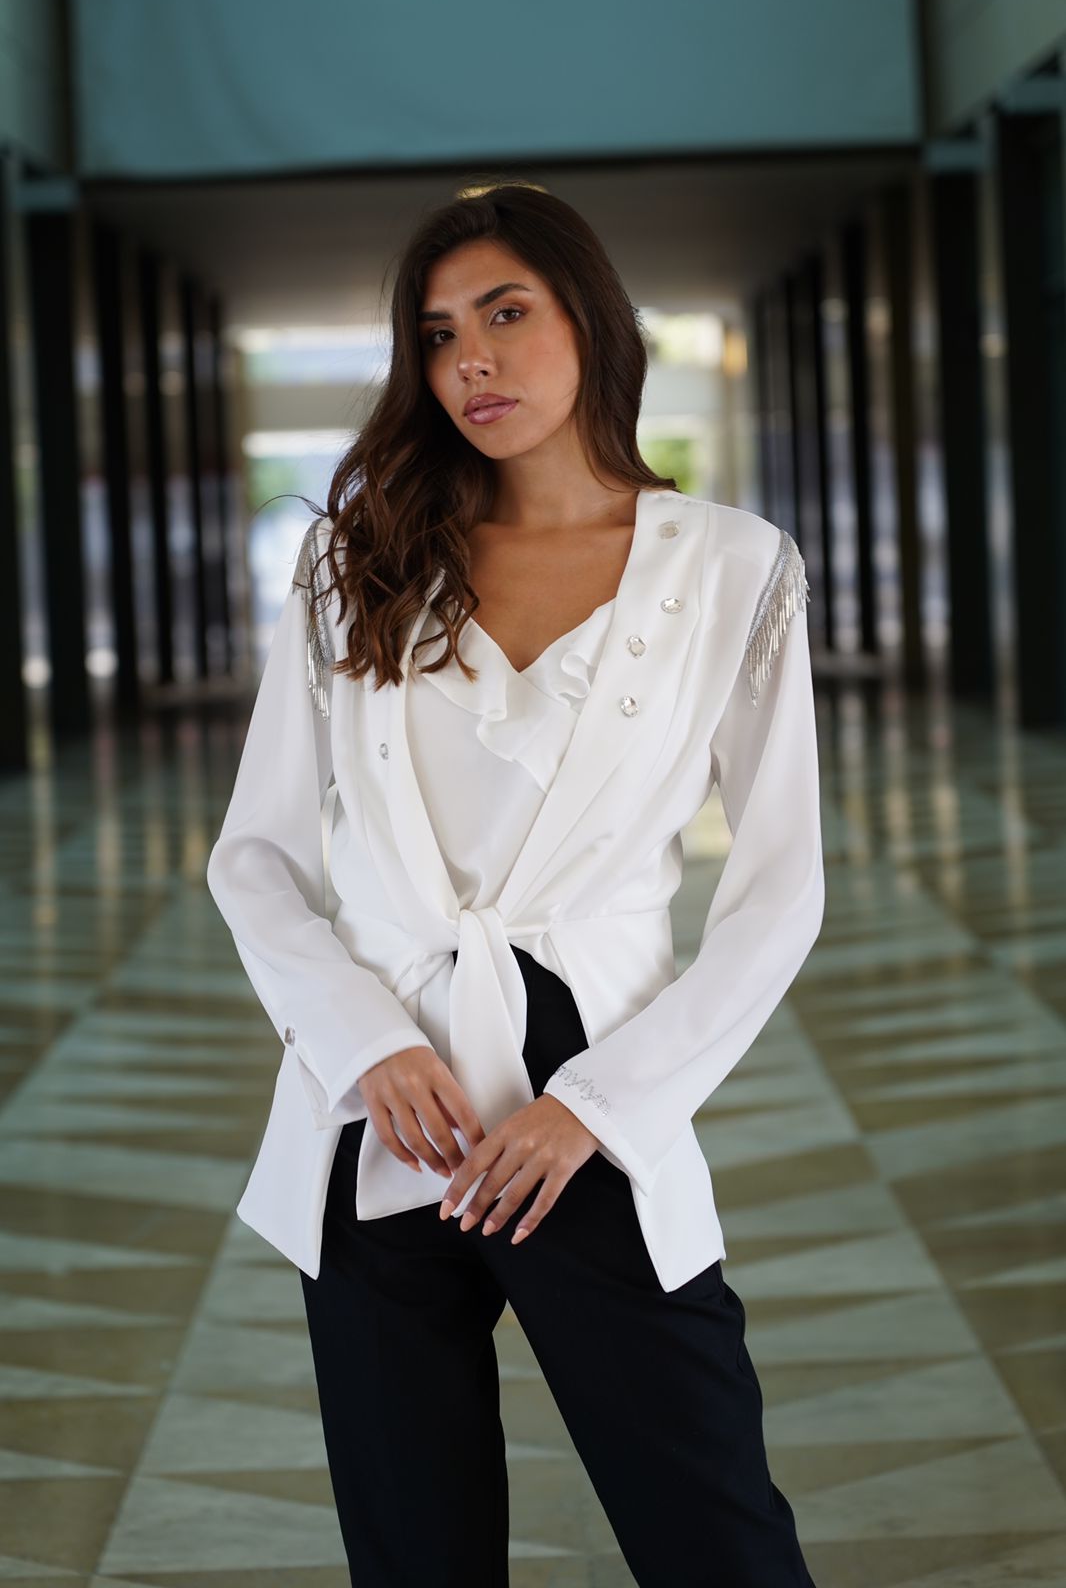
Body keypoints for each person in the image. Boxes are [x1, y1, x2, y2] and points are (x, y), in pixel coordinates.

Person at [206, 181, 824, 1587]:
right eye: (437, 335)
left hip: (587, 1095)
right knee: (412, 1550)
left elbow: (779, 890)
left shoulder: (732, 570)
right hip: (381, 1105)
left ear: (589, 323)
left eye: (505, 314)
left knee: (712, 1532)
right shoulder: (354, 558)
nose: (470, 360)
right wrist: (362, 1045)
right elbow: (255, 857)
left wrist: (594, 1109)